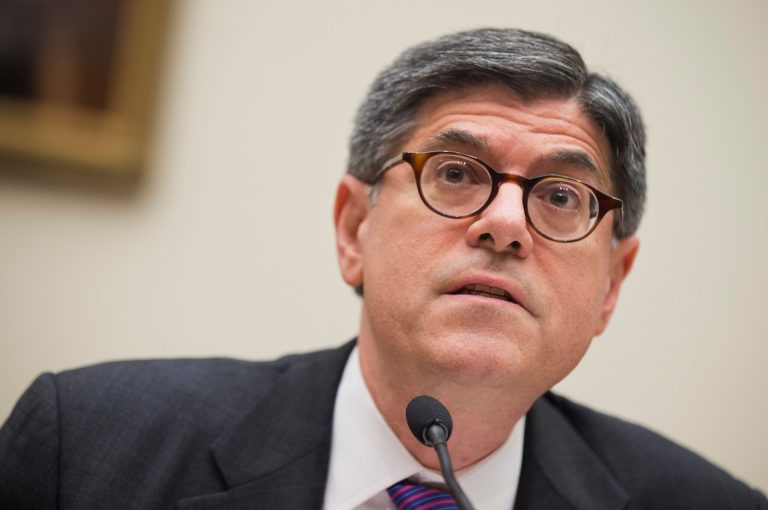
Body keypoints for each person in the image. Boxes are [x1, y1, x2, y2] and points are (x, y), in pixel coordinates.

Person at [0, 28, 765, 510]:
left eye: (562, 195)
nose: (503, 225)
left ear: (611, 286)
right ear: (354, 229)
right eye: (458, 173)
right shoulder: (89, 446)